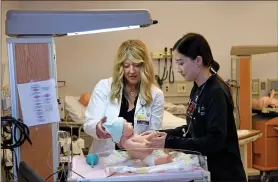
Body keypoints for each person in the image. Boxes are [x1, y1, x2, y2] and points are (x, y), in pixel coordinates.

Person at [143, 33, 247, 181]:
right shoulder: (197, 88)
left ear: (198, 60)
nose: (178, 69)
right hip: (206, 171)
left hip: (224, 175)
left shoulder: (216, 92)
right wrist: (160, 134)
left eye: (181, 63)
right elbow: (192, 129)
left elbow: (214, 141)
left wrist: (170, 141)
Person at [83, 40, 165, 154]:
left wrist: (133, 143)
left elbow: (152, 133)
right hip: (104, 158)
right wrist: (98, 127)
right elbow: (88, 123)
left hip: (138, 160)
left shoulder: (156, 94)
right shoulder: (104, 87)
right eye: (126, 66)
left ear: (145, 66)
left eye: (137, 65)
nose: (131, 71)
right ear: (120, 66)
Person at [102, 117, 173, 166]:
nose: (130, 123)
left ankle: (166, 158)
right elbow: (138, 147)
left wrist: (150, 136)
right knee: (154, 161)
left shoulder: (132, 136)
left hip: (150, 152)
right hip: (146, 157)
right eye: (127, 124)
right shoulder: (127, 143)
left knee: (160, 155)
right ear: (122, 133)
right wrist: (146, 145)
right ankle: (165, 160)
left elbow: (142, 138)